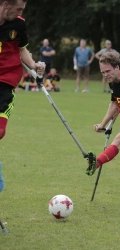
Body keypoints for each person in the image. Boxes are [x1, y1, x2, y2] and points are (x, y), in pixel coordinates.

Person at [0, 0, 46, 191]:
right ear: (5, 4)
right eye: (18, 8)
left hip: (6, 82)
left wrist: (34, 65)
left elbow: (22, 49)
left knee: (0, 131)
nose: (20, 12)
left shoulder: (18, 24)